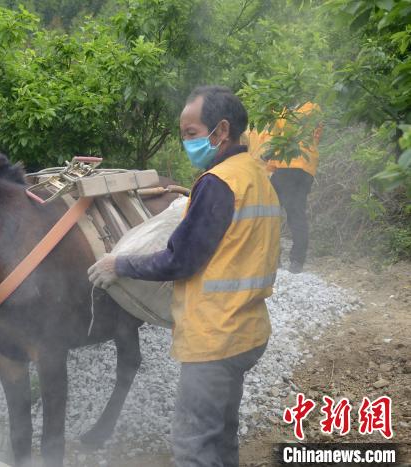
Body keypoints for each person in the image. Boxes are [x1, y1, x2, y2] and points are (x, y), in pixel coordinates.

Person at [88, 86, 280, 467]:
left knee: (193, 445)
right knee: (222, 433)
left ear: (221, 130)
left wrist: (118, 265)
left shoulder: (218, 183)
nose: (185, 142)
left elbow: (180, 261)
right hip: (246, 329)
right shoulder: (255, 176)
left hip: (214, 338)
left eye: (191, 133)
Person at [265, 102, 322, 273]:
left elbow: (286, 135)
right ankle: (289, 260)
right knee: (280, 212)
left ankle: (292, 260)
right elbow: (275, 137)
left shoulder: (310, 108)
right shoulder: (285, 110)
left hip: (295, 167)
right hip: (289, 167)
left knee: (286, 212)